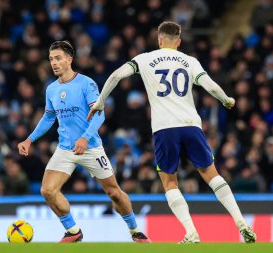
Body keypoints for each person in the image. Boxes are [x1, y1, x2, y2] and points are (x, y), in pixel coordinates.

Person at [88, 21, 257, 244]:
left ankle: (191, 233)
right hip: (191, 125)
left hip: (164, 128)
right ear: (178, 42)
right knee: (212, 175)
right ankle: (242, 223)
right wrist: (226, 99)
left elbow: (116, 76)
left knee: (169, 183)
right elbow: (211, 86)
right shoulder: (189, 60)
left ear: (159, 40)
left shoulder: (145, 58)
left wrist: (100, 102)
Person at [17, 40, 150, 243]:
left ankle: (135, 230)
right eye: (51, 59)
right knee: (48, 190)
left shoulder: (86, 83)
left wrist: (85, 138)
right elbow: (48, 117)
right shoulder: (51, 89)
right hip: (65, 149)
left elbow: (99, 115)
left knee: (114, 193)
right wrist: (29, 139)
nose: (54, 62)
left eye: (58, 58)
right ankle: (73, 231)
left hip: (91, 147)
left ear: (70, 59)